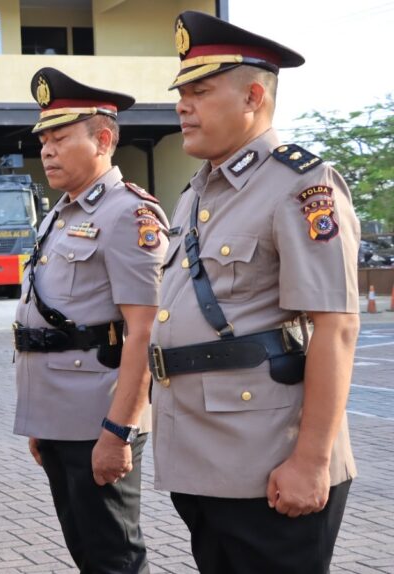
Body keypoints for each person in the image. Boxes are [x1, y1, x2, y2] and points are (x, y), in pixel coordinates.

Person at [149, 11, 359, 573]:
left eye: (200, 90)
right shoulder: (194, 195)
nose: (182, 105)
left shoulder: (300, 184)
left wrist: (311, 462)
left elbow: (336, 328)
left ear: (253, 97)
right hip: (205, 459)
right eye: (181, 92)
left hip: (272, 460)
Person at [13, 68, 168, 573]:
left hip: (100, 419)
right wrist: (41, 421)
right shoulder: (61, 214)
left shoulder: (128, 214)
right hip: (60, 417)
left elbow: (145, 330)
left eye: (60, 138)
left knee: (113, 557)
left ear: (103, 140)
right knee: (87, 552)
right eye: (43, 140)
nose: (47, 150)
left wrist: (118, 430)